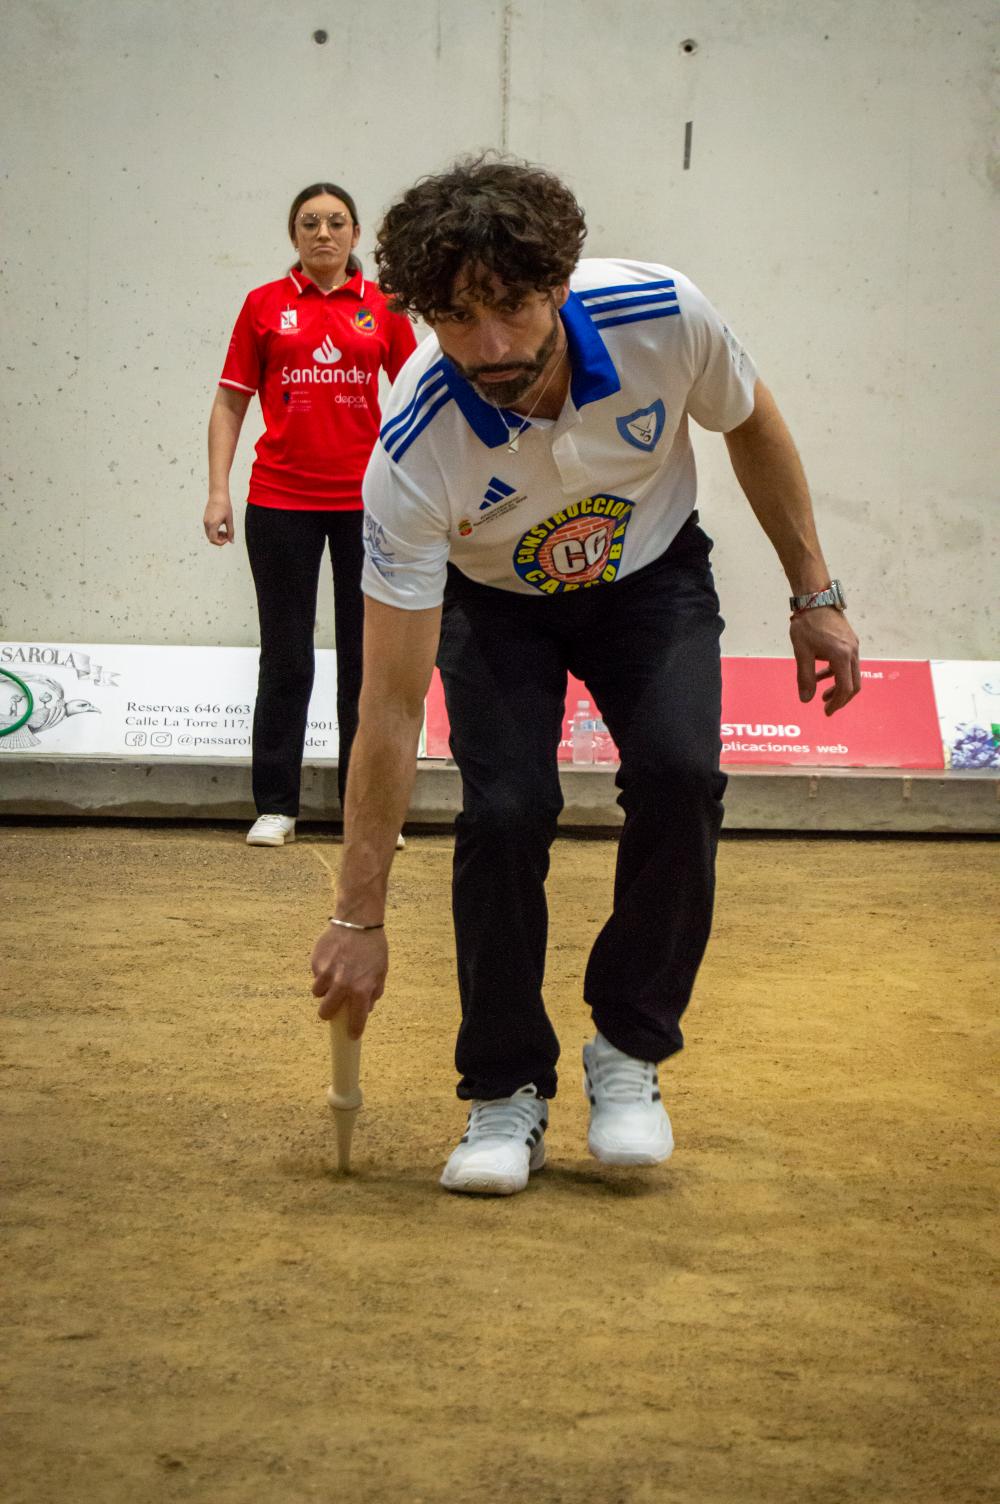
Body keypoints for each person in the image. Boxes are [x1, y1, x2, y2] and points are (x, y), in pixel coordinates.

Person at [309, 155, 860, 1195]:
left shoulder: (664, 314)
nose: (491, 347)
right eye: (455, 318)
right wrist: (358, 915)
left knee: (680, 775)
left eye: (512, 308)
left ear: (558, 284)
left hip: (650, 577)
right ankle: (504, 1088)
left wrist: (813, 593)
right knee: (506, 811)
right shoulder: (413, 451)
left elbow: (749, 420)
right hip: (493, 605)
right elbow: (388, 702)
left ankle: (629, 1047)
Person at [204, 182, 417, 846]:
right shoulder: (264, 305)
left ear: (355, 234)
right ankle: (276, 806)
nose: (323, 233)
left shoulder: (385, 306)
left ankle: (366, 811)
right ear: (294, 234)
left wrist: (428, 495)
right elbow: (230, 401)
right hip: (279, 503)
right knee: (287, 657)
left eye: (336, 222)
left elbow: (421, 401)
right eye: (309, 223)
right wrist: (217, 490)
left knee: (366, 661)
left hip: (368, 507)